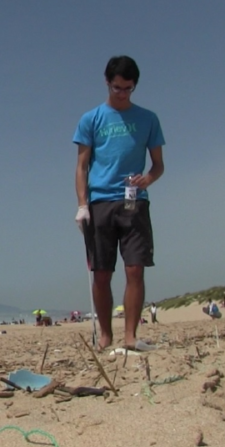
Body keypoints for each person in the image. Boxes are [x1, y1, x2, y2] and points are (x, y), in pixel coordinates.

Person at [74, 56, 165, 351]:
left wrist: (148, 180)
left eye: (128, 89)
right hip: (100, 202)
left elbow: (158, 165)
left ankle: (130, 337)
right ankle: (106, 336)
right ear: (107, 82)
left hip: (134, 202)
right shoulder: (92, 119)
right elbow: (82, 165)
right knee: (102, 273)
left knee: (135, 269)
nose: (122, 93)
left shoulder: (148, 118)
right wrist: (82, 204)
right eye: (117, 88)